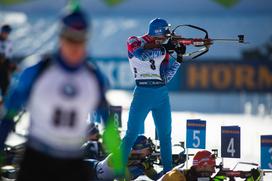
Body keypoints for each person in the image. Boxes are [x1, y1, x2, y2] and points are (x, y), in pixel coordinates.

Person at [0, 9, 110, 181]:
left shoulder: (94, 78)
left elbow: (108, 122)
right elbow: (9, 115)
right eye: (71, 39)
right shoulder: (35, 71)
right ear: (60, 37)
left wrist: (118, 162)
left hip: (73, 160)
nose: (75, 45)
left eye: (81, 39)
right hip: (37, 158)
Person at [121, 18, 186, 174]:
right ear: (157, 33)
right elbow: (141, 55)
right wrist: (164, 48)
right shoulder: (134, 40)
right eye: (164, 36)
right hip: (142, 92)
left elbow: (166, 77)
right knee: (131, 133)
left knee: (165, 135)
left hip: (161, 93)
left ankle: (168, 172)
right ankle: (117, 169)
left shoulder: (163, 49)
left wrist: (178, 58)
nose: (166, 39)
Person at [0, 24, 13, 103]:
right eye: (4, 32)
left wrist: (11, 65)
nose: (6, 34)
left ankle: (4, 104)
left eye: (8, 32)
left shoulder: (9, 42)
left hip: (5, 65)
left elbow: (9, 55)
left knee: (6, 84)